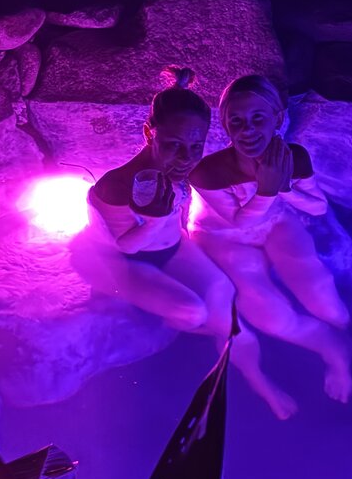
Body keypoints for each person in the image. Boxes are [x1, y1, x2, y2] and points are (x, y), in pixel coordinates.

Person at [71, 68, 297, 420]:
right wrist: (156, 221)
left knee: (226, 296)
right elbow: (126, 247)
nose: (186, 157)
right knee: (194, 312)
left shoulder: (179, 170)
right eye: (174, 145)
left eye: (195, 147)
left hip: (170, 247)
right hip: (124, 262)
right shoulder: (116, 186)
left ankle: (258, 380)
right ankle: (183, 328)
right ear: (150, 133)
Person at [188, 74, 352, 404]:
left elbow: (318, 207)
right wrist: (267, 188)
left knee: (322, 293)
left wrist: (284, 186)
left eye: (257, 118)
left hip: (274, 222)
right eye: (236, 121)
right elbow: (239, 219)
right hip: (222, 237)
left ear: (277, 119)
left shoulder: (294, 157)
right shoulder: (208, 172)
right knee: (269, 314)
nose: (247, 130)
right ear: (226, 125)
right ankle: (326, 352)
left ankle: (347, 341)